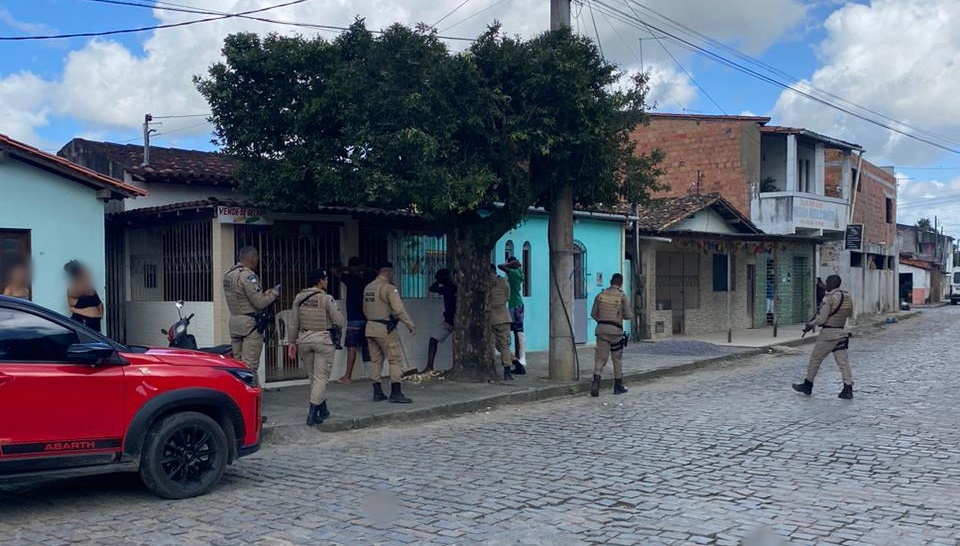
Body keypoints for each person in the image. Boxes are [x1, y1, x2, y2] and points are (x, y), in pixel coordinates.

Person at [288, 269, 345, 427]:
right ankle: (312, 414)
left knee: (313, 377)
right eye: (325, 279)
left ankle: (323, 409)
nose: (327, 282)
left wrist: (291, 342)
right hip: (322, 340)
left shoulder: (299, 297)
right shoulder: (327, 299)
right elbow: (339, 321)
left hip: (304, 340)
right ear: (320, 281)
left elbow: (293, 322)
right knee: (321, 378)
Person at [793, 274, 855, 399]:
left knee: (815, 360)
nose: (826, 285)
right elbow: (850, 313)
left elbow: (821, 320)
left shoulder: (829, 299)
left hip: (828, 334)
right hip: (841, 332)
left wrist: (810, 325)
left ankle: (808, 384)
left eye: (827, 282)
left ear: (832, 283)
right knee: (843, 363)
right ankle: (848, 388)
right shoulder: (847, 296)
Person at [363, 261, 416, 403]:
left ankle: (377, 392)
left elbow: (365, 310)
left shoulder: (368, 287)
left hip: (370, 327)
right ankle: (396, 392)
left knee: (375, 361)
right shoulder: (388, 288)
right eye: (392, 272)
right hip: (385, 329)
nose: (393, 275)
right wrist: (409, 323)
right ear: (387, 271)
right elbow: (398, 309)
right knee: (395, 360)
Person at [223, 246, 279, 370]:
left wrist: (264, 294)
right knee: (249, 368)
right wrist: (273, 294)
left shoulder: (228, 274)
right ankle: (249, 390)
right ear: (253, 259)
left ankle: (236, 389)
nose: (257, 262)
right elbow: (259, 303)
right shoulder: (248, 276)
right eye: (257, 259)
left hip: (235, 322)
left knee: (236, 366)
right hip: (250, 325)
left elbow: (243, 297)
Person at [590, 273, 634, 397]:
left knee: (600, 358)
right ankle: (618, 386)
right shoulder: (622, 296)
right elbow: (629, 315)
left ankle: (596, 383)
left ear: (610, 281)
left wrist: (602, 322)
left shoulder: (600, 295)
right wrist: (620, 317)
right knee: (617, 359)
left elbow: (593, 313)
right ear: (621, 283)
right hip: (616, 332)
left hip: (601, 331)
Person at [332, 257, 375, 383]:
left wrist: (348, 269)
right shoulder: (366, 278)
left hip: (355, 319)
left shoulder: (350, 278)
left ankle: (347, 376)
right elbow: (376, 271)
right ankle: (375, 375)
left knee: (352, 347)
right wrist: (360, 268)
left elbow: (334, 271)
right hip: (367, 318)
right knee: (371, 346)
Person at [422, 268, 457, 374]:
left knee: (434, 340)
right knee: (434, 339)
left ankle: (429, 366)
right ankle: (429, 366)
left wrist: (440, 281)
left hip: (452, 321)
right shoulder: (452, 287)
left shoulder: (448, 287)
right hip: (449, 321)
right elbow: (431, 289)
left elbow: (432, 288)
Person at [497, 257, 526, 375]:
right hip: (519, 304)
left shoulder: (513, 273)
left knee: (512, 332)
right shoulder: (519, 272)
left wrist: (509, 264)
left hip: (514, 305)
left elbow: (500, 266)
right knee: (518, 332)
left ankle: (517, 358)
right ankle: (519, 357)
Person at [489, 265, 515, 380]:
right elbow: (508, 297)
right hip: (504, 317)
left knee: (490, 344)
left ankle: (491, 368)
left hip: (490, 318)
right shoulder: (503, 281)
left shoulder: (483, 283)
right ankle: (507, 371)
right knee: (505, 345)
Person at [64, 260, 103, 332]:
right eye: (85, 274)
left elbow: (99, 303)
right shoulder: (73, 289)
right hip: (82, 322)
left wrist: (100, 314)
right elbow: (72, 308)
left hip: (95, 323)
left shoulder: (91, 288)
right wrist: (90, 315)